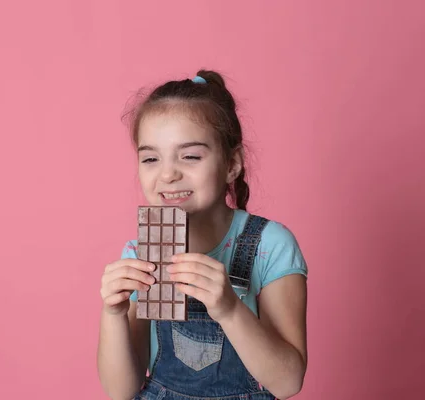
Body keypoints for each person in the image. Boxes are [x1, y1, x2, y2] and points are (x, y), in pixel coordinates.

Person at [97, 70, 308, 400]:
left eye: (190, 156)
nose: (168, 173)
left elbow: (288, 382)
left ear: (231, 164)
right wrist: (113, 314)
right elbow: (122, 391)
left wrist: (229, 308)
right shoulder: (140, 254)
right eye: (150, 158)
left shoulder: (270, 245)